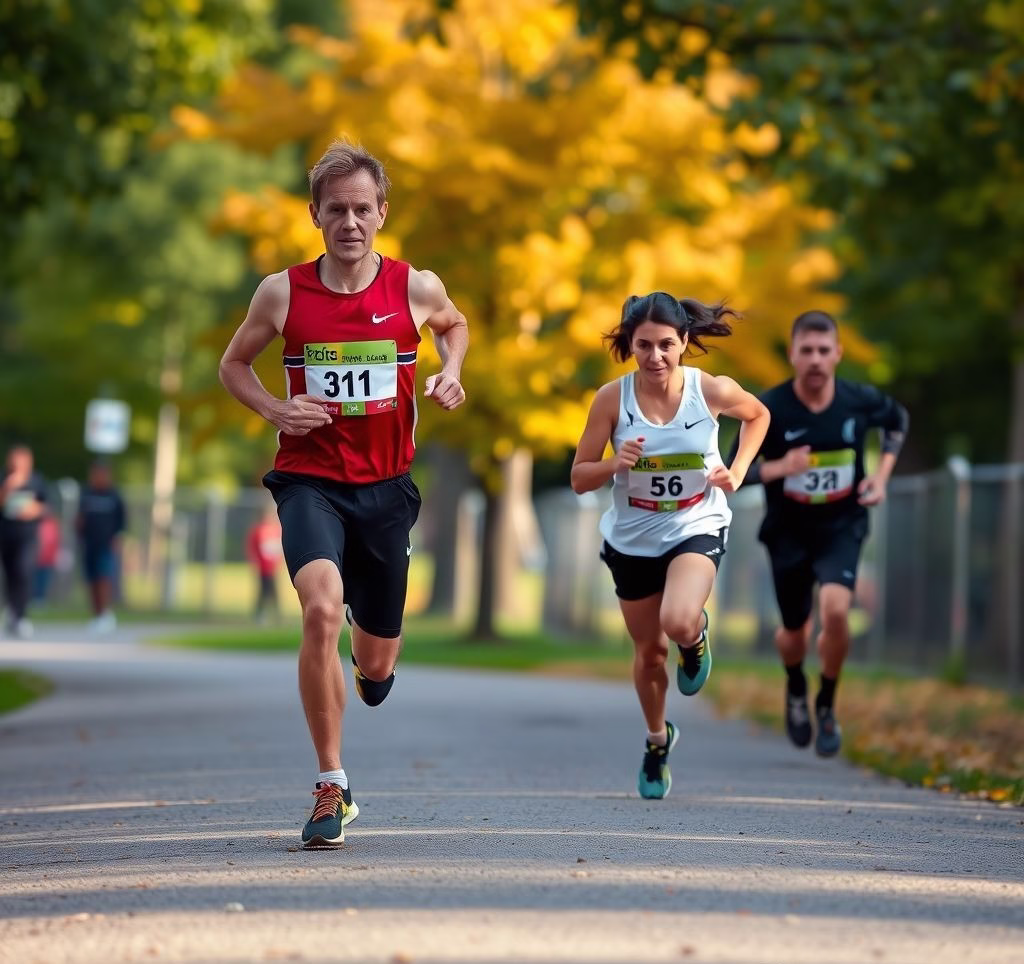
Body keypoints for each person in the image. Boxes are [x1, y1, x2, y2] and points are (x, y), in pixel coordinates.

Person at [219, 140, 468, 848]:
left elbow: (455, 325)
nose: (350, 221)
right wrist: (274, 408)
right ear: (315, 216)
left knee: (377, 664)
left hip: (386, 491)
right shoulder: (283, 292)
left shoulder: (414, 287)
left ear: (382, 213)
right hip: (310, 483)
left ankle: (370, 665)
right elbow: (233, 364)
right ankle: (332, 784)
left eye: (363, 208)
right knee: (320, 610)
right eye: (337, 210)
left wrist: (450, 371)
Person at [571, 292, 769, 799]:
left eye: (665, 345)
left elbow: (758, 416)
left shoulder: (711, 391)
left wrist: (739, 468)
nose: (655, 357)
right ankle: (658, 740)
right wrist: (616, 465)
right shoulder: (612, 400)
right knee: (650, 653)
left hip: (694, 525)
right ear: (628, 346)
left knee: (677, 621)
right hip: (632, 539)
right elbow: (578, 477)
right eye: (643, 346)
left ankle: (695, 637)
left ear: (684, 342)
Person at [731, 310, 908, 758]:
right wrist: (779, 467)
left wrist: (882, 476)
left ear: (838, 354)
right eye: (806, 351)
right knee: (794, 632)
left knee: (835, 610)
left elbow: (897, 420)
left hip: (841, 525)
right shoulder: (768, 409)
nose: (814, 359)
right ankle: (795, 688)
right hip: (787, 531)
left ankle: (826, 704)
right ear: (792, 354)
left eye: (823, 351)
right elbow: (735, 473)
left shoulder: (857, 400)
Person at [0, 445, 48, 638]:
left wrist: (33, 509)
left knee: (24, 571)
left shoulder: (36, 481)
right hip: (6, 536)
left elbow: (46, 506)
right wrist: (9, 486)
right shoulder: (4, 478)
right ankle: (12, 611)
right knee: (10, 575)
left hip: (28, 537)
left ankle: (21, 615)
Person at [77, 460, 126, 634]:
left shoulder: (114, 496)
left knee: (103, 579)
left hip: (106, 544)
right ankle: (96, 614)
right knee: (91, 580)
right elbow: (80, 518)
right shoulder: (86, 494)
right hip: (89, 544)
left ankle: (105, 613)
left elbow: (122, 521)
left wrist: (118, 538)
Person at [247, 506, 283, 623]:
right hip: (263, 568)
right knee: (263, 592)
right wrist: (254, 562)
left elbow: (279, 548)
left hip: (273, 568)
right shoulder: (258, 530)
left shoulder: (276, 530)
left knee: (274, 592)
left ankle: (276, 615)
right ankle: (259, 615)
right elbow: (252, 548)